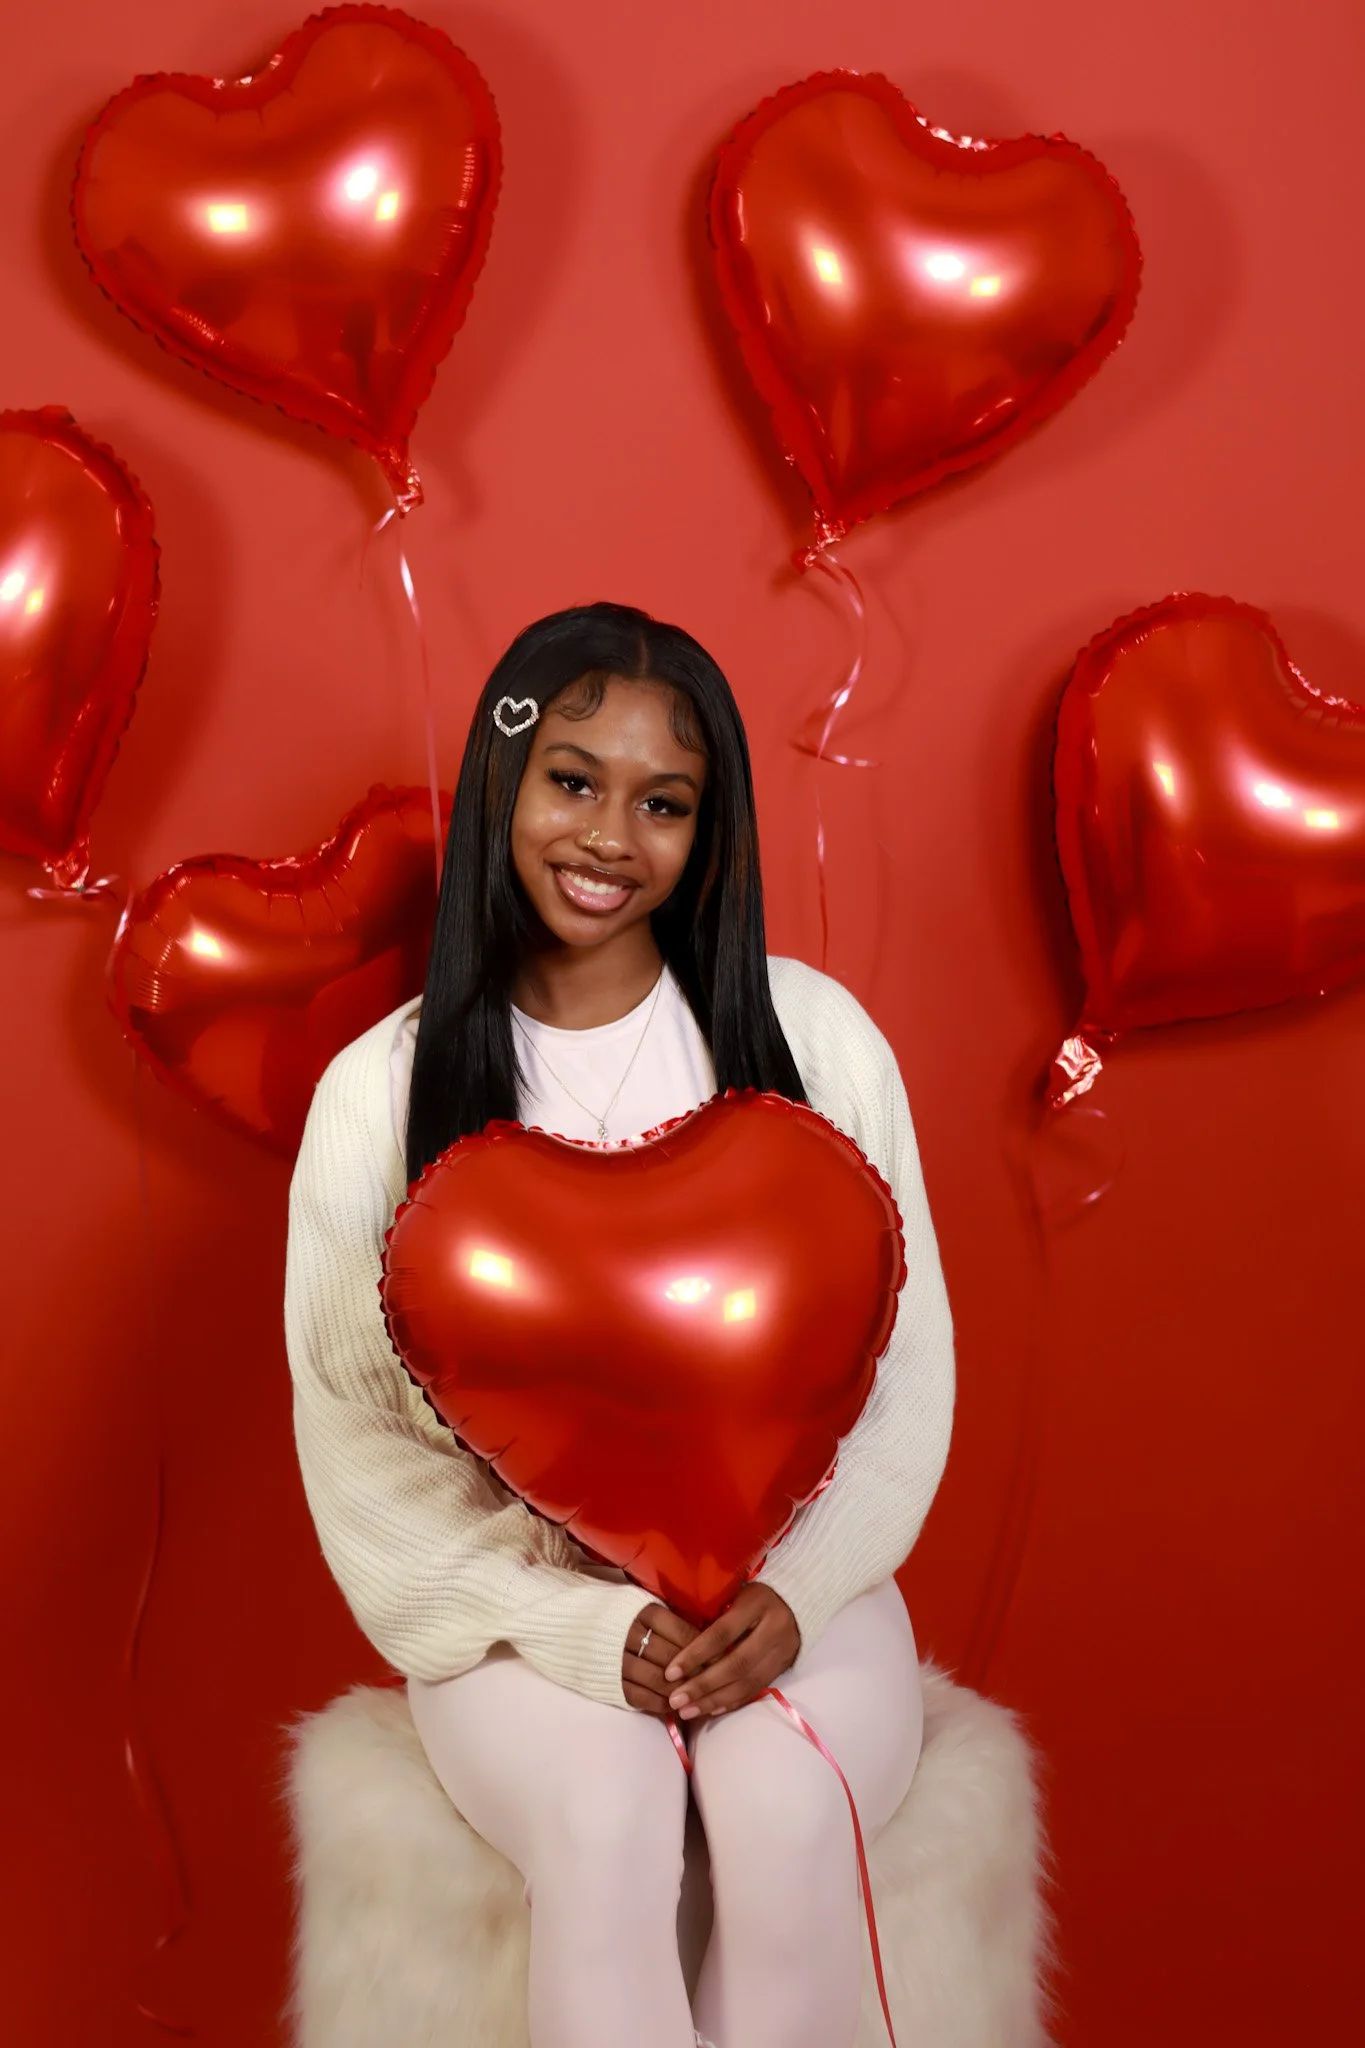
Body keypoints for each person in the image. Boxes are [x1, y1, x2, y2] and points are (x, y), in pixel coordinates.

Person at [284, 601, 955, 2048]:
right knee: (607, 1813)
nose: (610, 836)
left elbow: (908, 1379)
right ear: (501, 785)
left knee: (782, 1813)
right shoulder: (379, 1100)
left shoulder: (816, 1044)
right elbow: (365, 1462)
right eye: (574, 781)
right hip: (512, 1622)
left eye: (666, 803)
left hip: (800, 1592)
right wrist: (580, 1629)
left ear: (709, 835)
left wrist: (805, 1586)